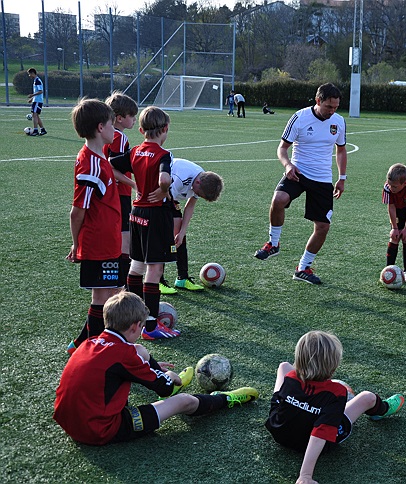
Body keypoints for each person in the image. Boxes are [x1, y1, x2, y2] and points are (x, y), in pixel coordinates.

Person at [54, 291, 259, 446]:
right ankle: (225, 399)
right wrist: (169, 377)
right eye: (142, 327)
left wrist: (145, 367)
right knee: (183, 400)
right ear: (135, 326)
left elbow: (115, 365)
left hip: (69, 422)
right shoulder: (125, 355)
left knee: (139, 350)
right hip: (99, 430)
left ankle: (156, 375)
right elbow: (165, 389)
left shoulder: (90, 342)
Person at [265, 330, 404, 484]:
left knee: (284, 366)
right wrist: (305, 475)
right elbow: (319, 434)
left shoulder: (291, 377)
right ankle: (381, 409)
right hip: (307, 443)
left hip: (279, 430)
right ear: (334, 366)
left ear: (299, 358)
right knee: (367, 397)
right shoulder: (337, 393)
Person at [253, 83, 348, 286]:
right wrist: (288, 165)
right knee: (278, 199)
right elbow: (282, 148)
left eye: (336, 107)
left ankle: (303, 268)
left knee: (323, 227)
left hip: (322, 178)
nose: (332, 111)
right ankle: (273, 243)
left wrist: (342, 178)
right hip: (298, 172)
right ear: (318, 101)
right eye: (329, 107)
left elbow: (341, 150)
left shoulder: (339, 122)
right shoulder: (300, 118)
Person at [111, 106, 179, 340]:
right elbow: (164, 178)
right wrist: (163, 190)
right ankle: (150, 326)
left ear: (141, 130)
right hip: (155, 214)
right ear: (165, 128)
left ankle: (134, 318)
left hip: (136, 213)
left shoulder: (135, 151)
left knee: (137, 265)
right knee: (155, 269)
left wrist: (133, 185)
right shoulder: (163, 154)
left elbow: (110, 164)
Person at [66, 99, 123, 355]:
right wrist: (76, 244)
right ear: (101, 127)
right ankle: (92, 354)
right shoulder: (91, 165)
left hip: (108, 238)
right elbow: (78, 210)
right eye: (112, 124)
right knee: (102, 298)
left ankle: (81, 344)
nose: (115, 129)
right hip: (98, 242)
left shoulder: (99, 156)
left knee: (113, 292)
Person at [162, 158, 224, 292]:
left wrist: (182, 232)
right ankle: (157, 281)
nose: (196, 195)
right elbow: (164, 199)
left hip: (171, 198)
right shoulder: (180, 178)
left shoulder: (202, 178)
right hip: (158, 197)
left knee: (179, 235)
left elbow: (190, 206)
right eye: (198, 193)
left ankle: (182, 278)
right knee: (164, 235)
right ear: (197, 183)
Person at [104, 92, 139, 294]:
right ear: (119, 118)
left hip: (109, 192)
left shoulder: (107, 134)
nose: (134, 120)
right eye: (132, 116)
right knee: (125, 239)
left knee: (116, 237)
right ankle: (123, 287)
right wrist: (133, 184)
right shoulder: (118, 136)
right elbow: (112, 167)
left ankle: (114, 283)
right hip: (119, 193)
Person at [383, 163, 406, 283]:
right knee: (394, 237)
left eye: (394, 186)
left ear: (404, 184)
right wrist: (394, 227)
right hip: (396, 208)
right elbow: (391, 207)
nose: (391, 188)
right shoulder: (387, 187)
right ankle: (388, 270)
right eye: (390, 185)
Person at [26, 68, 47, 136]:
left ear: (32, 73)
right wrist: (32, 99)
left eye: (29, 74)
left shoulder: (38, 80)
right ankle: (42, 130)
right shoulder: (35, 80)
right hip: (36, 100)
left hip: (38, 101)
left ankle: (35, 131)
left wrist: (32, 95)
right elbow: (37, 91)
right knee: (36, 115)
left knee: (34, 115)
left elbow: (41, 91)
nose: (29, 76)